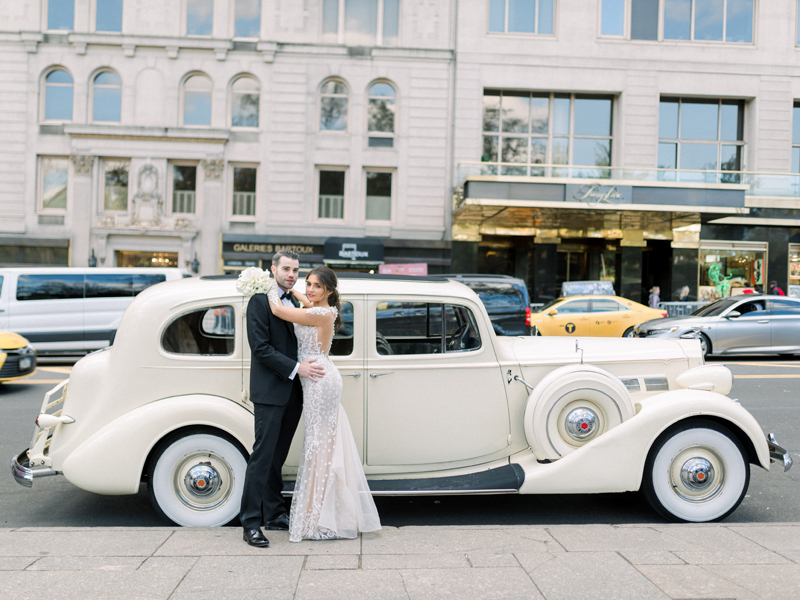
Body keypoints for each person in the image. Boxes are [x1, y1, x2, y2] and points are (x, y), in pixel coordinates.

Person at [268, 266, 381, 542]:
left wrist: (271, 286)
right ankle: (321, 511)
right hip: (318, 376)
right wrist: (293, 289)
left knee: (318, 446)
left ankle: (319, 517)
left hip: (319, 381)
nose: (310, 289)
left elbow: (280, 311)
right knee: (320, 445)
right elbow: (305, 302)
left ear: (329, 290)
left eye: (317, 286)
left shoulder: (322, 313)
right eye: (309, 283)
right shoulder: (322, 308)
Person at [240, 250, 326, 549]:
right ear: (273, 269)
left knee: (278, 458)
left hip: (295, 392)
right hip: (270, 391)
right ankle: (250, 524)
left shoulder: (298, 300)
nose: (292, 274)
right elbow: (260, 348)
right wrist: (297, 368)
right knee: (262, 457)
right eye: (286, 269)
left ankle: (275, 513)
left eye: (296, 270)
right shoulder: (260, 302)